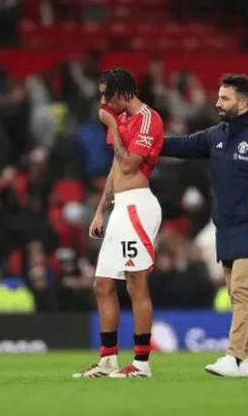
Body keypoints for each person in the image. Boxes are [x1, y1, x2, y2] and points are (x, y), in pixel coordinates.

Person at [161, 74, 248, 377]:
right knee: (238, 293)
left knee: (240, 289)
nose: (218, 103)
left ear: (243, 102)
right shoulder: (217, 134)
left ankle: (234, 357)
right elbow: (183, 145)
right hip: (225, 227)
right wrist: (146, 143)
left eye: (225, 98)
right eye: (218, 97)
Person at [74, 68, 164, 378]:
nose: (102, 102)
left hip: (139, 206)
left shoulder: (148, 119)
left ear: (124, 92)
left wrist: (112, 125)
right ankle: (108, 359)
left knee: (136, 284)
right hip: (120, 209)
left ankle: (141, 363)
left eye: (106, 95)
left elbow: (129, 164)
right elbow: (116, 167)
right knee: (102, 284)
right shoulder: (122, 118)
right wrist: (101, 209)